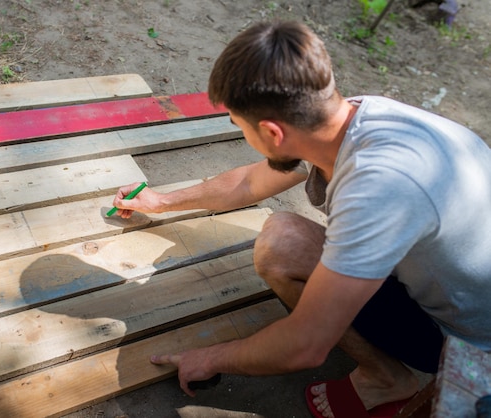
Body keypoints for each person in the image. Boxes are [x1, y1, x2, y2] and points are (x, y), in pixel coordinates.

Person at [110, 20, 491, 418]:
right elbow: (249, 182)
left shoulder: (377, 188)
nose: (242, 135)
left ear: (273, 133)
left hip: (469, 344)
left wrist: (211, 357)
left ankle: (386, 378)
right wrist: (162, 201)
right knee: (286, 235)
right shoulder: (350, 117)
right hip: (456, 289)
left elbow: (306, 345)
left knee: (280, 247)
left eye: (240, 127)